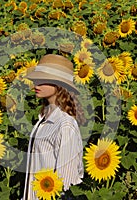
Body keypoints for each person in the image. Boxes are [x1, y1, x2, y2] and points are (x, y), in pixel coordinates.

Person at [22, 54, 85, 200]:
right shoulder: (43, 119)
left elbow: (67, 180)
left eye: (43, 80)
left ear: (59, 85)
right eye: (37, 79)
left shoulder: (65, 125)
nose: (36, 85)